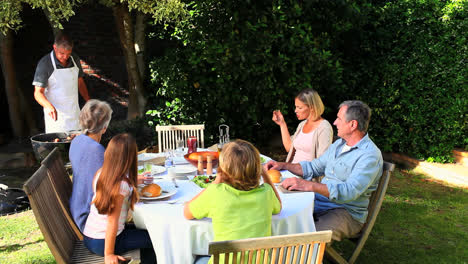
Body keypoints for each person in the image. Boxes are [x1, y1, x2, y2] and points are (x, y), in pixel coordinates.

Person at [265, 100, 383, 241]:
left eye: (339, 119)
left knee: (306, 241)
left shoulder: (370, 156)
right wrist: (283, 165)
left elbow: (349, 191)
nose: (334, 123)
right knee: (279, 211)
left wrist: (309, 185)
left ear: (353, 125)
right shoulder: (339, 144)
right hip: (319, 200)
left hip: (345, 211)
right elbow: (314, 167)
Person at [184, 139, 282, 264]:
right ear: (257, 168)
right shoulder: (267, 193)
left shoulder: (215, 192)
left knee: (196, 258)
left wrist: (215, 182)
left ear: (223, 169)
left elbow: (187, 212)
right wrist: (264, 173)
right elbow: (278, 206)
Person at [83, 133, 156, 264]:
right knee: (154, 239)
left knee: (146, 230)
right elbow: (112, 222)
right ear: (130, 158)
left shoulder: (102, 173)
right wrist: (109, 254)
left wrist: (136, 180)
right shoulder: (120, 187)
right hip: (103, 242)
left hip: (90, 236)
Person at [33, 32, 90, 133]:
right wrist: (48, 106)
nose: (65, 57)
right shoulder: (45, 64)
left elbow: (80, 82)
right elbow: (38, 93)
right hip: (56, 118)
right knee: (58, 146)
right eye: (62, 53)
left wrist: (88, 100)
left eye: (68, 53)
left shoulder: (75, 59)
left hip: (74, 114)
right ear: (55, 47)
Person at [69, 99, 112, 232]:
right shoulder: (96, 150)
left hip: (78, 209)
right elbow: (107, 189)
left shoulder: (77, 141)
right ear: (104, 128)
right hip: (89, 220)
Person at [272, 89, 333, 164]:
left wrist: (302, 172)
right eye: (296, 107)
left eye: (299, 107)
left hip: (307, 174)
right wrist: (282, 124)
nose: (295, 110)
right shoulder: (302, 124)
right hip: (292, 170)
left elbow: (323, 162)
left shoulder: (324, 127)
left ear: (312, 108)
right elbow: (289, 148)